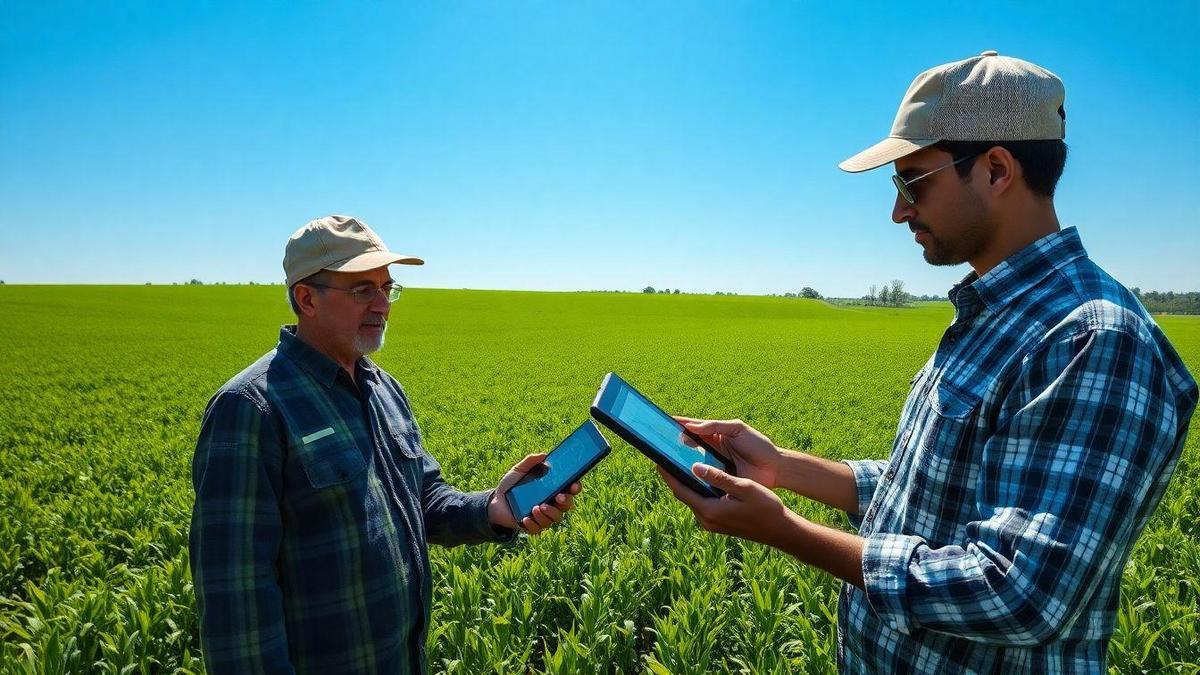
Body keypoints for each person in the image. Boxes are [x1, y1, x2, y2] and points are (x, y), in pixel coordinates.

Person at [656, 51, 1197, 672]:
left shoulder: (1093, 339)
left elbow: (1021, 592)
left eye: (913, 181)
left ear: (996, 170)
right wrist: (783, 468)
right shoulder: (993, 314)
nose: (898, 211)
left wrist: (785, 531)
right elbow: (933, 489)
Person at [189, 215, 581, 674]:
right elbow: (236, 602)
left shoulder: (382, 388)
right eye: (362, 290)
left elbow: (423, 498)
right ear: (306, 298)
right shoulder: (252, 407)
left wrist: (495, 507)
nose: (383, 305)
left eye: (387, 288)